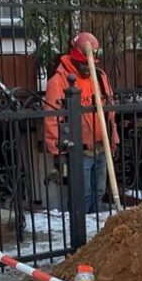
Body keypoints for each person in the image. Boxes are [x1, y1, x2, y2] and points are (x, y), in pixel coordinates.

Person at [44, 32, 119, 213]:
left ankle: (96, 231)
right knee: (82, 194)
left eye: (90, 63)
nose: (87, 67)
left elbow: (110, 113)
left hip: (102, 147)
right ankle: (79, 232)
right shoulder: (59, 81)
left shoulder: (100, 78)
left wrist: (113, 138)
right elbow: (52, 119)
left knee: (99, 191)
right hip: (79, 151)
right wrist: (57, 152)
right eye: (84, 63)